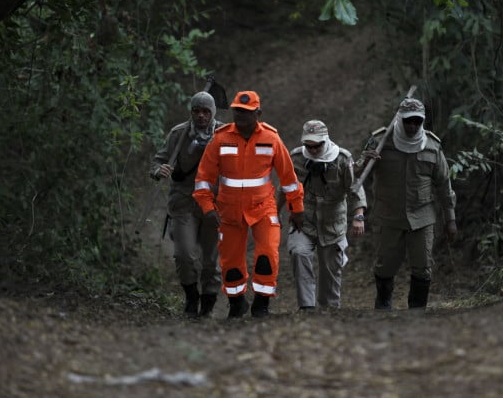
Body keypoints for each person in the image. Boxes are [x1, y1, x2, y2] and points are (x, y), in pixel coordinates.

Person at [193, 90, 304, 318]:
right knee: (230, 262)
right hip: (228, 211)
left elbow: (289, 179)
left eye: (246, 112)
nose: (241, 115)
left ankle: (262, 304)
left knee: (267, 255)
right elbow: (203, 179)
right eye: (237, 111)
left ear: (258, 113)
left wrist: (297, 209)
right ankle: (236, 303)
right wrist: (208, 208)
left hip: (263, 208)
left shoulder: (271, 139)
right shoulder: (220, 139)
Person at [356, 97, 458, 311]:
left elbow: (444, 184)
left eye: (417, 122)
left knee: (423, 266)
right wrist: (365, 160)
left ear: (422, 122)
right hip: (388, 216)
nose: (412, 126)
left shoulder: (432, 146)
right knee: (385, 266)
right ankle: (383, 304)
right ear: (399, 120)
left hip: (422, 217)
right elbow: (357, 175)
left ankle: (417, 310)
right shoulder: (380, 142)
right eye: (408, 121)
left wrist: (450, 219)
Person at [280, 120, 367, 311]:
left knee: (331, 269)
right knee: (299, 253)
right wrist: (273, 214)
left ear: (325, 141)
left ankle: (329, 309)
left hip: (333, 222)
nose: (312, 149)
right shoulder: (295, 158)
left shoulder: (343, 159)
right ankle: (307, 307)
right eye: (308, 146)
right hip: (304, 220)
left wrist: (358, 216)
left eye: (317, 145)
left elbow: (356, 188)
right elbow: (284, 187)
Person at [150, 91, 223, 318]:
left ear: (213, 112)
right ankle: (191, 297)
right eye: (196, 111)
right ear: (190, 112)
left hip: (214, 203)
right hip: (184, 201)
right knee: (184, 255)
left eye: (205, 111)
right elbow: (158, 160)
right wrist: (157, 170)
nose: (201, 116)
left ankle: (208, 304)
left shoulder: (225, 133)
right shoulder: (178, 134)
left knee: (212, 259)